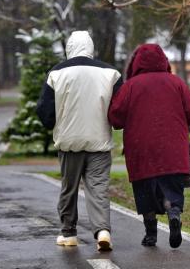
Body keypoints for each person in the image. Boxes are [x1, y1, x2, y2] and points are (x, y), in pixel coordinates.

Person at [36, 31, 122, 251]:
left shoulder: (57, 72)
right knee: (98, 188)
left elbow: (45, 111)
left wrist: (54, 124)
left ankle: (69, 233)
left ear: (69, 48)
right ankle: (102, 230)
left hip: (69, 140)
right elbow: (119, 109)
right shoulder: (110, 73)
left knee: (69, 187)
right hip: (99, 140)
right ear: (91, 48)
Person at [108, 44, 190, 249]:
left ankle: (150, 234)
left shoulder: (130, 86)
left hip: (142, 149)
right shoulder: (176, 82)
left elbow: (116, 117)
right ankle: (173, 213)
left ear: (136, 63)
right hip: (173, 148)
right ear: (163, 60)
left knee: (144, 190)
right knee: (171, 188)